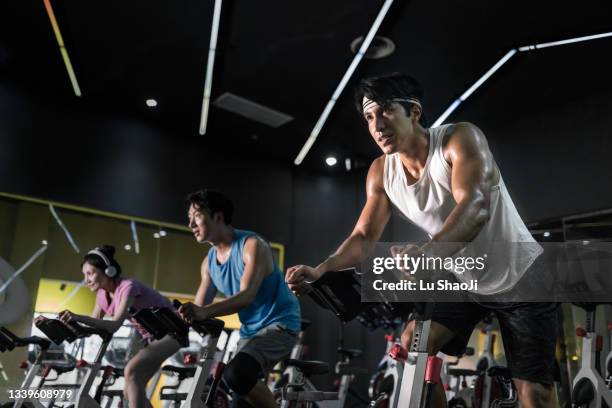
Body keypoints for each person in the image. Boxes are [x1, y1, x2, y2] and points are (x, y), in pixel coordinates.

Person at [285, 73, 557, 408]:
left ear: (414, 112)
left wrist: (426, 254)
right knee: (413, 349)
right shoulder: (380, 173)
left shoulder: (459, 139)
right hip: (463, 276)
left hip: (521, 274)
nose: (376, 125)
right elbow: (364, 236)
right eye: (369, 117)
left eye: (385, 111)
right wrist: (322, 269)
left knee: (534, 394)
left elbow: (475, 208)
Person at [178, 189, 300, 408]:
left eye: (196, 217)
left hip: (280, 325)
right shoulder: (209, 263)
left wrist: (203, 312)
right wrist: (181, 315)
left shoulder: (252, 245)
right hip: (250, 332)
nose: (191, 225)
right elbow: (198, 307)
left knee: (236, 375)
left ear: (218, 217)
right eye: (189, 219)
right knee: (239, 399)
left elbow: (246, 296)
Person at [51, 245, 180, 408]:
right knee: (130, 391)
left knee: (131, 372)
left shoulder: (128, 286)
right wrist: (64, 324)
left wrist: (78, 317)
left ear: (108, 270)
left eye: (90, 273)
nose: (86, 280)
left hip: (173, 331)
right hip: (152, 337)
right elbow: (92, 325)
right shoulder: (102, 295)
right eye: (84, 275)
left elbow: (114, 325)